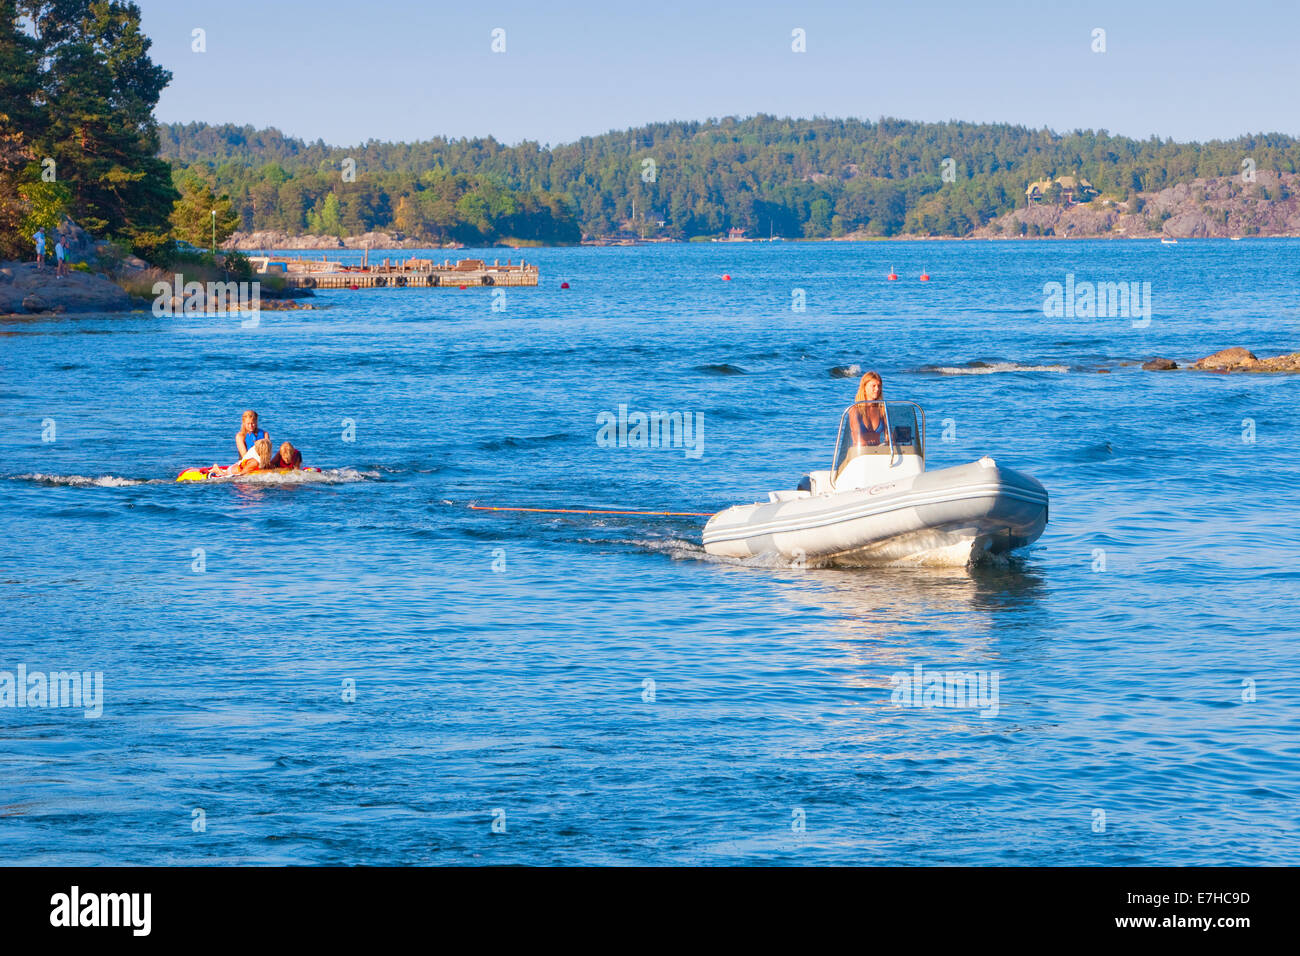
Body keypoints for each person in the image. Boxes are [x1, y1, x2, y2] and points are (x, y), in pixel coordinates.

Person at [849, 371, 887, 446]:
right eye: (873, 386)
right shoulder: (855, 410)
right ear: (864, 387)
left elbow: (888, 434)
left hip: (878, 451)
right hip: (861, 452)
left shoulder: (882, 409)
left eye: (879, 386)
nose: (877, 389)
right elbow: (856, 435)